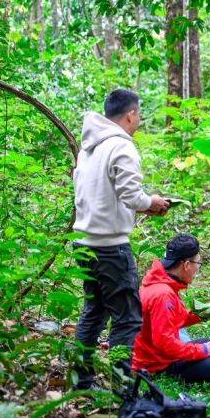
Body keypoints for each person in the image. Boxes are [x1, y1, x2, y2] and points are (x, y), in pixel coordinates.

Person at [72, 88, 171, 390]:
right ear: (130, 114)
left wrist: (145, 206)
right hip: (110, 247)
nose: (139, 120)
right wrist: (151, 200)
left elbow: (105, 196)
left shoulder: (88, 146)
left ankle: (81, 381)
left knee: (94, 311)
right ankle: (122, 386)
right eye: (139, 114)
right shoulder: (121, 146)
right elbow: (129, 194)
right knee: (128, 318)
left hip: (84, 241)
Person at [131, 234, 210, 383]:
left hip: (157, 355)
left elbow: (172, 320)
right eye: (198, 263)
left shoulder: (161, 283)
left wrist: (204, 313)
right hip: (157, 365)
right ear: (186, 265)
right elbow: (164, 343)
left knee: (207, 341)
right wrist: (202, 351)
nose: (198, 268)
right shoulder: (163, 295)